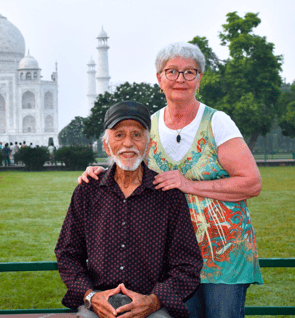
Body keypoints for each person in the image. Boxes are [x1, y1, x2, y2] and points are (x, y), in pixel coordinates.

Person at [79, 42, 263, 318]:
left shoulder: (217, 123)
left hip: (224, 258)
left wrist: (189, 185)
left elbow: (251, 183)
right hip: (171, 263)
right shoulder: (147, 127)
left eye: (190, 72)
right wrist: (94, 173)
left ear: (199, 78)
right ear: (159, 78)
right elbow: (125, 168)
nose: (180, 79)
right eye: (172, 71)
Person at [56, 101, 203, 318]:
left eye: (136, 135)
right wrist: (91, 297)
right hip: (99, 302)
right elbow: (67, 254)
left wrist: (153, 301)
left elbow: (187, 263)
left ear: (148, 144)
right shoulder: (88, 191)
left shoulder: (168, 194)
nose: (128, 143)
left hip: (152, 304)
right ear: (107, 145)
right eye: (119, 135)